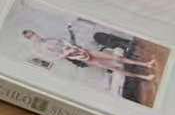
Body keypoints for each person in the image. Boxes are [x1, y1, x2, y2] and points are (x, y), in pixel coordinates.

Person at [21, 29, 158, 79]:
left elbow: (64, 41)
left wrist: (72, 44)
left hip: (83, 50)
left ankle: (146, 64)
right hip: (81, 58)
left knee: (117, 57)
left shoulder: (49, 38)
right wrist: (68, 52)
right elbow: (58, 57)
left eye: (33, 33)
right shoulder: (43, 48)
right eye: (31, 36)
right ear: (30, 39)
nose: (34, 36)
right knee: (113, 67)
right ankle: (144, 77)